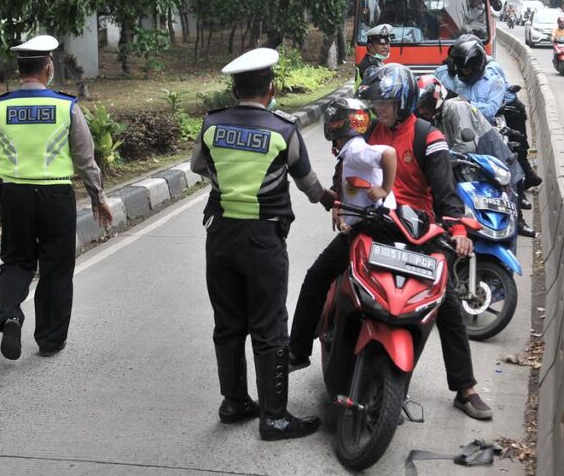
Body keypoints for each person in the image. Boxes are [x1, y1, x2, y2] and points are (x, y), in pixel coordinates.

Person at [290, 64, 493, 421]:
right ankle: (297, 350)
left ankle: (465, 388)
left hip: (418, 233)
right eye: (376, 103)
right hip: (372, 225)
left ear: (402, 101)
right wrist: (339, 201)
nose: (378, 110)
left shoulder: (429, 138)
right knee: (318, 275)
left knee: (446, 305)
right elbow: (349, 172)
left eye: (384, 103)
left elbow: (446, 194)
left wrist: (458, 232)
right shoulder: (368, 133)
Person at [190, 47, 336, 441]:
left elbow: (198, 166)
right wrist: (330, 201)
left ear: (234, 88)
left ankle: (234, 402)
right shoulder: (283, 130)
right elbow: (308, 184)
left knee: (228, 321)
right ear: (271, 88)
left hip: (219, 235)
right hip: (263, 239)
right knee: (270, 325)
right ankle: (274, 417)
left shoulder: (212, 125)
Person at [0, 34, 113, 361]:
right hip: (55, 195)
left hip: (13, 195)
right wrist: (98, 196)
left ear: (19, 68)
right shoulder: (65, 106)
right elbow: (85, 157)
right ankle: (50, 340)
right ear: (48, 68)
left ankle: (11, 314)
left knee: (16, 260)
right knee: (56, 265)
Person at [287, 97, 396, 373]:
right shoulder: (349, 152)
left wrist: (383, 189)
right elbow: (347, 184)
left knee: (315, 279)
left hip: (368, 230)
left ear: (338, 125)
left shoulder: (356, 150)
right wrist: (338, 206)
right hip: (371, 226)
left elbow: (389, 155)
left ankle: (297, 351)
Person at [438, 39, 539, 237]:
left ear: (476, 65)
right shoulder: (457, 79)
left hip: (487, 133)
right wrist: (447, 67)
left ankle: (517, 219)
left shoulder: (495, 81)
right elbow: (439, 85)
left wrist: (466, 104)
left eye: (466, 69)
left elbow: (491, 110)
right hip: (460, 135)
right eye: (460, 68)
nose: (463, 73)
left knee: (510, 172)